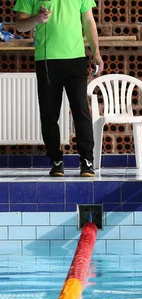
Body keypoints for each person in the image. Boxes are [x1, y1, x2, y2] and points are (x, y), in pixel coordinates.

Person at [14, 0, 104, 177]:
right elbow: (20, 25)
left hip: (76, 59)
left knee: (81, 111)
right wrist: (36, 19)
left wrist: (97, 53)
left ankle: (87, 160)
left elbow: (88, 21)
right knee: (49, 114)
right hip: (47, 61)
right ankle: (56, 160)